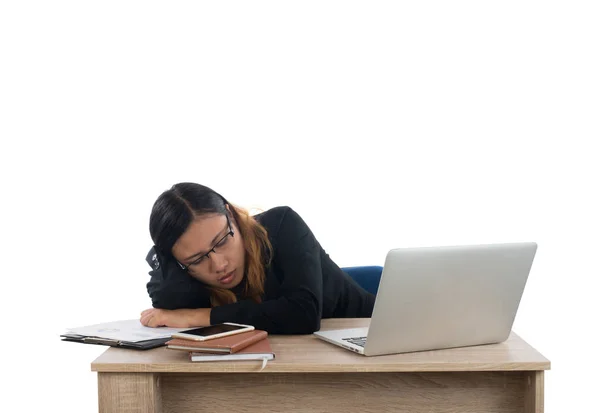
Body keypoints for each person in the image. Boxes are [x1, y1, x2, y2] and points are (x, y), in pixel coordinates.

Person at [140, 182, 375, 334]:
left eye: (222, 241)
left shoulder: (283, 224)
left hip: (369, 330)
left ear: (231, 215)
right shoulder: (183, 273)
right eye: (197, 259)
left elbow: (304, 314)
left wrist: (197, 317)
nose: (219, 265)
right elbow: (164, 296)